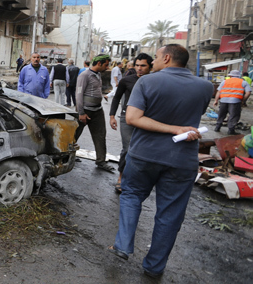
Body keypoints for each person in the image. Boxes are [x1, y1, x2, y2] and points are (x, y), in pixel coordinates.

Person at [111, 45, 213, 278]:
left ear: (166, 58)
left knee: (131, 194)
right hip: (182, 160)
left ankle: (123, 245)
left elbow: (133, 118)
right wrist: (179, 128)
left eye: (156, 57)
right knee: (170, 214)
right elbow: (193, 114)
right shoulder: (205, 87)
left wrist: (172, 128)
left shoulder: (147, 82)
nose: (153, 61)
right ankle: (154, 267)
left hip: (144, 155)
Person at [109, 53, 153, 193]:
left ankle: (137, 179)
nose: (139, 68)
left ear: (150, 66)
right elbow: (116, 98)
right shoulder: (126, 80)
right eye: (137, 65)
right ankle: (121, 177)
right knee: (128, 149)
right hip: (127, 119)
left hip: (147, 120)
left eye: (143, 66)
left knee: (143, 149)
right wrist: (111, 116)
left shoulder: (154, 81)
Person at [75, 54, 114, 172]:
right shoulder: (84, 75)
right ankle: (67, 155)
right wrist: (81, 112)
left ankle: (101, 161)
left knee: (100, 135)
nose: (107, 67)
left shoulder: (98, 74)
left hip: (97, 111)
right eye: (106, 65)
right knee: (74, 135)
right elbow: (78, 94)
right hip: (85, 111)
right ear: (99, 63)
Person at [213, 69, 251, 135]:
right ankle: (231, 130)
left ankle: (217, 127)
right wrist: (243, 100)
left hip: (223, 100)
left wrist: (216, 100)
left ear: (230, 75)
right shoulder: (243, 82)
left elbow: (219, 91)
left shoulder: (224, 81)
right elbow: (248, 92)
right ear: (239, 76)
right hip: (235, 101)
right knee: (233, 115)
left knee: (221, 114)